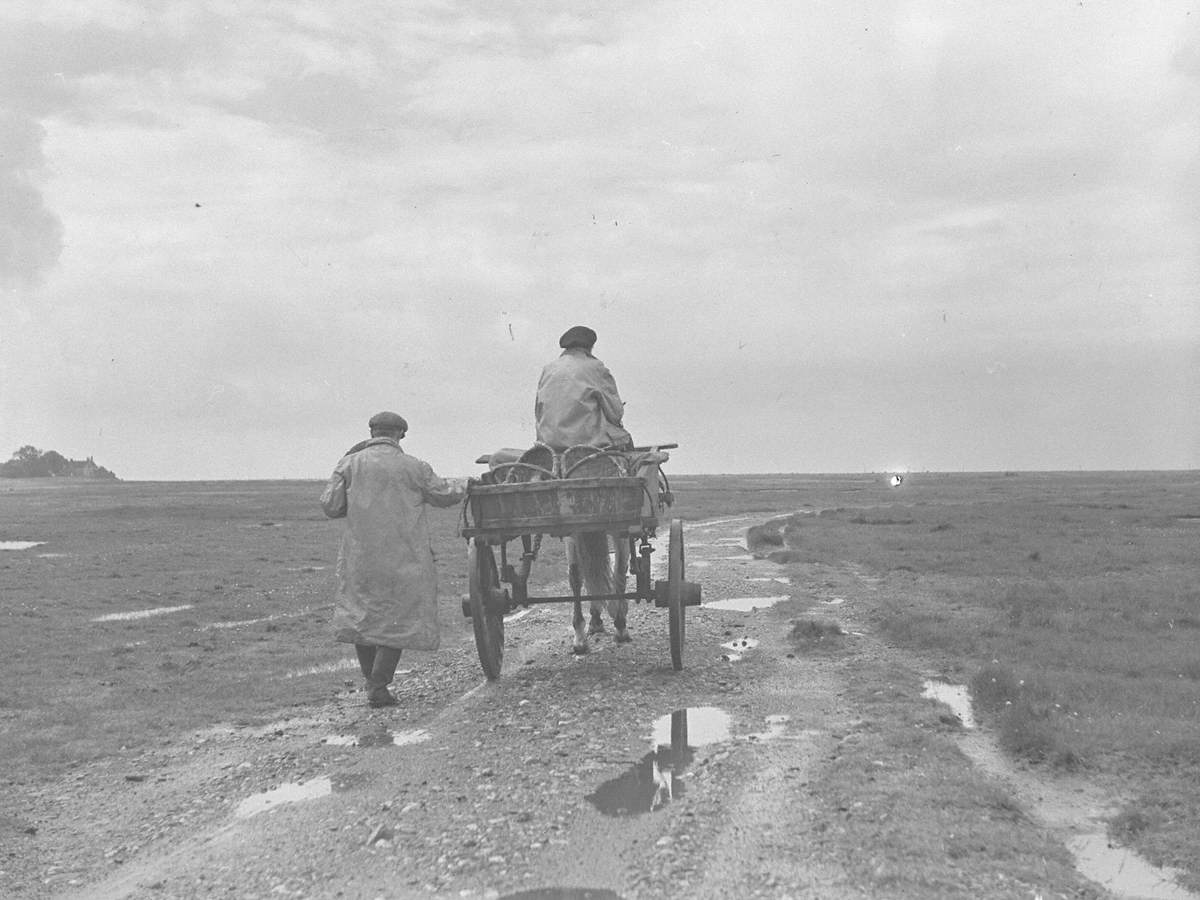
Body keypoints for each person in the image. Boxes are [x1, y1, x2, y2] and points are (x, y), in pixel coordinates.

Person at [320, 411, 465, 707]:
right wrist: (468, 484)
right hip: (404, 558)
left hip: (360, 558)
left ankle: (373, 683)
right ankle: (378, 684)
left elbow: (331, 506)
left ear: (372, 431)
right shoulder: (414, 467)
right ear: (401, 434)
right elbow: (444, 494)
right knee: (397, 621)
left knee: (362, 618)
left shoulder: (349, 464)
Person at [534, 325, 634, 451]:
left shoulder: (548, 369)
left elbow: (538, 411)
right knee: (626, 439)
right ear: (590, 347)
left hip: (548, 445)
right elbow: (615, 414)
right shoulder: (595, 367)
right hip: (585, 444)